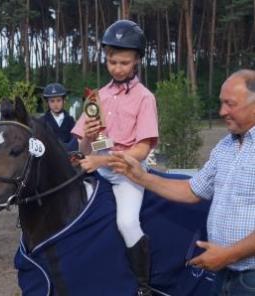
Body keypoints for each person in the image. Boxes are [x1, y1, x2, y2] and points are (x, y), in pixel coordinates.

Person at [109, 69, 255, 296]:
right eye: (221, 103)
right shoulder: (225, 147)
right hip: (223, 274)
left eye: (230, 104)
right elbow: (191, 190)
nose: (221, 111)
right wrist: (141, 177)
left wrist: (227, 255)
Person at [71, 20, 158, 296]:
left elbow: (141, 150)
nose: (117, 68)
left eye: (123, 62)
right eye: (112, 61)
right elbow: (85, 148)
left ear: (137, 62)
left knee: (126, 222)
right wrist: (87, 135)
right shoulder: (98, 96)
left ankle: (143, 285)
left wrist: (102, 161)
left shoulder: (145, 98)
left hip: (128, 174)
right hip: (97, 164)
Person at [41, 82, 78, 152]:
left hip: (68, 157)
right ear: (47, 103)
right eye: (52, 101)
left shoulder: (70, 120)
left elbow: (74, 142)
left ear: (64, 101)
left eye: (58, 100)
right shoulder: (42, 121)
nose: (55, 104)